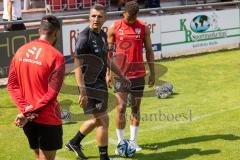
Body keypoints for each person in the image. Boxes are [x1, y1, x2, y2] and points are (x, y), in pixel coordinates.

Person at [65, 4, 130, 160]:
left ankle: (74, 142)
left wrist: (121, 74)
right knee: (103, 121)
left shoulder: (102, 34)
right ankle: (104, 158)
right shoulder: (83, 38)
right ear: (89, 17)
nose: (96, 19)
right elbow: (78, 68)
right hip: (90, 87)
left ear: (104, 19)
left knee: (96, 119)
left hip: (100, 85)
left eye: (99, 16)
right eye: (93, 16)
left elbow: (106, 58)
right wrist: (82, 91)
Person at [7, 15, 65, 160]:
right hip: (47, 119)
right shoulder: (56, 56)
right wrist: (28, 112)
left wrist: (25, 110)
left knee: (38, 156)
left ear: (39, 30)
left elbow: (12, 86)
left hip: (28, 119)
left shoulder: (21, 50)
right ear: (56, 33)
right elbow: (51, 94)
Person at [107, 1, 155, 153]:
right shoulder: (114, 27)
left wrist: (153, 72)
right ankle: (121, 143)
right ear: (124, 14)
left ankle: (133, 142)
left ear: (137, 15)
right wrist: (107, 73)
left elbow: (149, 50)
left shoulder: (143, 28)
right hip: (120, 75)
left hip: (139, 74)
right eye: (129, 17)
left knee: (135, 108)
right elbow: (108, 53)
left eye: (134, 17)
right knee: (121, 108)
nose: (131, 20)